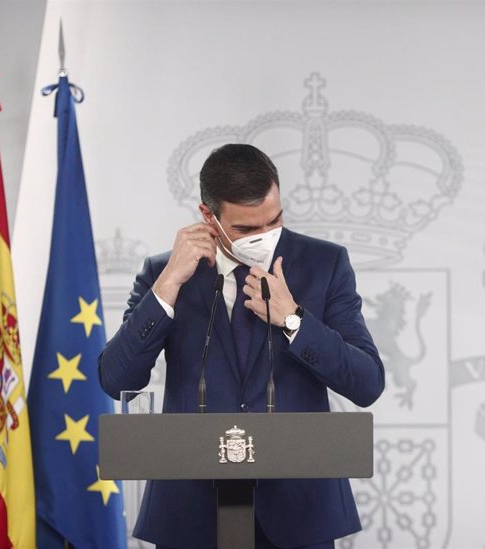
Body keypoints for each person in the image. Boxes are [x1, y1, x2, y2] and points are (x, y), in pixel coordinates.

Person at [98, 144, 385, 549]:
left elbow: (367, 382)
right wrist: (167, 288)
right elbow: (115, 378)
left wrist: (293, 319)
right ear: (208, 218)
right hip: (191, 511)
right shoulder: (164, 273)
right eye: (247, 231)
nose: (265, 238)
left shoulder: (325, 264)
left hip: (298, 512)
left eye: (275, 221)